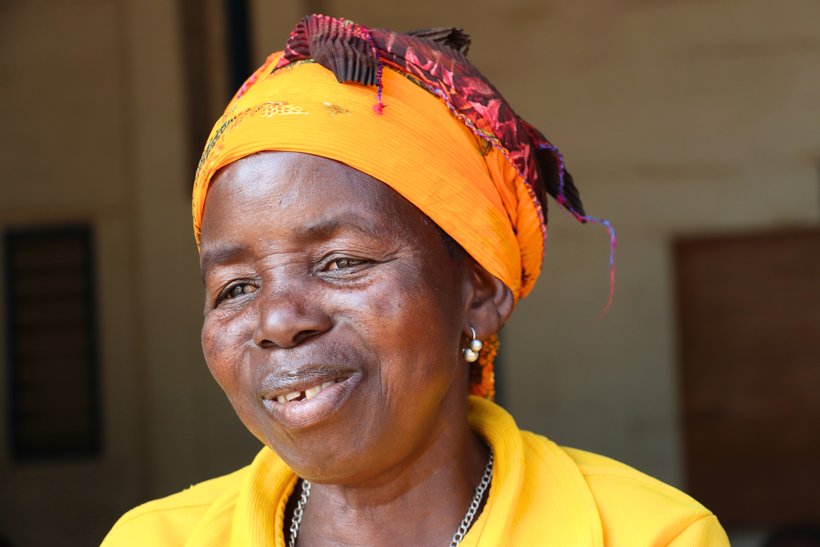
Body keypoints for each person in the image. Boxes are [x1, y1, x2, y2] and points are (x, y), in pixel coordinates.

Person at [102, 15, 729, 546]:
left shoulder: (645, 535)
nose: (278, 321)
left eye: (342, 261)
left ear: (479, 290)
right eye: (236, 288)